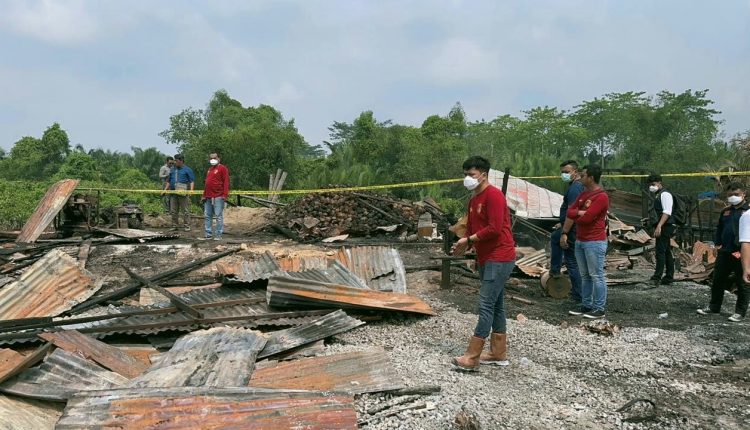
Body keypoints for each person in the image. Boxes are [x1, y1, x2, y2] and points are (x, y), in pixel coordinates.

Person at [451, 156, 516, 371]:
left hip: (500, 255)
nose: (468, 178)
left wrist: (469, 240)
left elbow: (494, 228)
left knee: (485, 304)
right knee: (496, 304)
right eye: (466, 174)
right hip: (486, 257)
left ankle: (472, 356)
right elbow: (472, 229)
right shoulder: (473, 200)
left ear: (484, 174)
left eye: (472, 175)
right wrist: (465, 244)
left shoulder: (494, 196)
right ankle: (498, 353)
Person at [562, 164, 609, 319]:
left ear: (591, 178)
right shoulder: (583, 195)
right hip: (581, 240)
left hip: (594, 241)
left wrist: (579, 214)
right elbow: (570, 211)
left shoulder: (601, 196)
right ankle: (586, 304)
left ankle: (599, 308)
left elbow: (588, 218)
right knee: (585, 275)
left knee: (596, 275)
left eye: (583, 175)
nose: (581, 177)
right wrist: (580, 212)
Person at [698, 182, 748, 322]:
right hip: (725, 251)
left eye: (736, 194)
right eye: (730, 194)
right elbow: (719, 228)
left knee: (742, 282)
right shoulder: (726, 211)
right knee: (718, 279)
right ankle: (714, 306)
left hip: (741, 252)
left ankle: (740, 312)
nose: (733, 197)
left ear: (744, 194)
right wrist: (717, 244)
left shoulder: (748, 211)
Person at [550, 160, 584, 302]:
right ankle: (555, 270)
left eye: (567, 172)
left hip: (572, 229)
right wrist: (561, 223)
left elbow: (572, 212)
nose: (563, 174)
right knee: (554, 238)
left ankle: (578, 295)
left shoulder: (575, 188)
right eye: (562, 172)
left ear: (575, 172)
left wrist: (565, 232)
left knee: (571, 261)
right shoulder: (573, 186)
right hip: (569, 225)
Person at [646, 174, 676, 285]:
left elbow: (667, 212)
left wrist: (659, 226)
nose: (651, 187)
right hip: (663, 225)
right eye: (650, 185)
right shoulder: (658, 195)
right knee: (667, 251)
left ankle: (656, 277)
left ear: (659, 182)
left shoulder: (665, 194)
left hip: (665, 226)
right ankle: (669, 277)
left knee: (660, 251)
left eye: (653, 184)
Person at [201, 153, 230, 240]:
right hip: (208, 196)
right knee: (207, 215)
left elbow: (226, 182)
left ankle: (218, 234)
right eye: (211, 158)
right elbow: (207, 183)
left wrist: (225, 195)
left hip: (218, 195)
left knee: (218, 216)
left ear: (218, 158)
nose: (213, 159)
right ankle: (208, 233)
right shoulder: (210, 169)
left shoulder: (223, 168)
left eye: (214, 158)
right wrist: (204, 195)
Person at [165, 154, 195, 231]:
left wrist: (191, 190)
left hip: (183, 192)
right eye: (174, 160)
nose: (175, 162)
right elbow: (168, 181)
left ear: (181, 161)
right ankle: (174, 225)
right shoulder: (172, 169)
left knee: (185, 210)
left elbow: (191, 181)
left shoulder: (188, 169)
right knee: (173, 210)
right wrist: (165, 189)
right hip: (173, 193)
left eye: (176, 160)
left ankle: (186, 226)